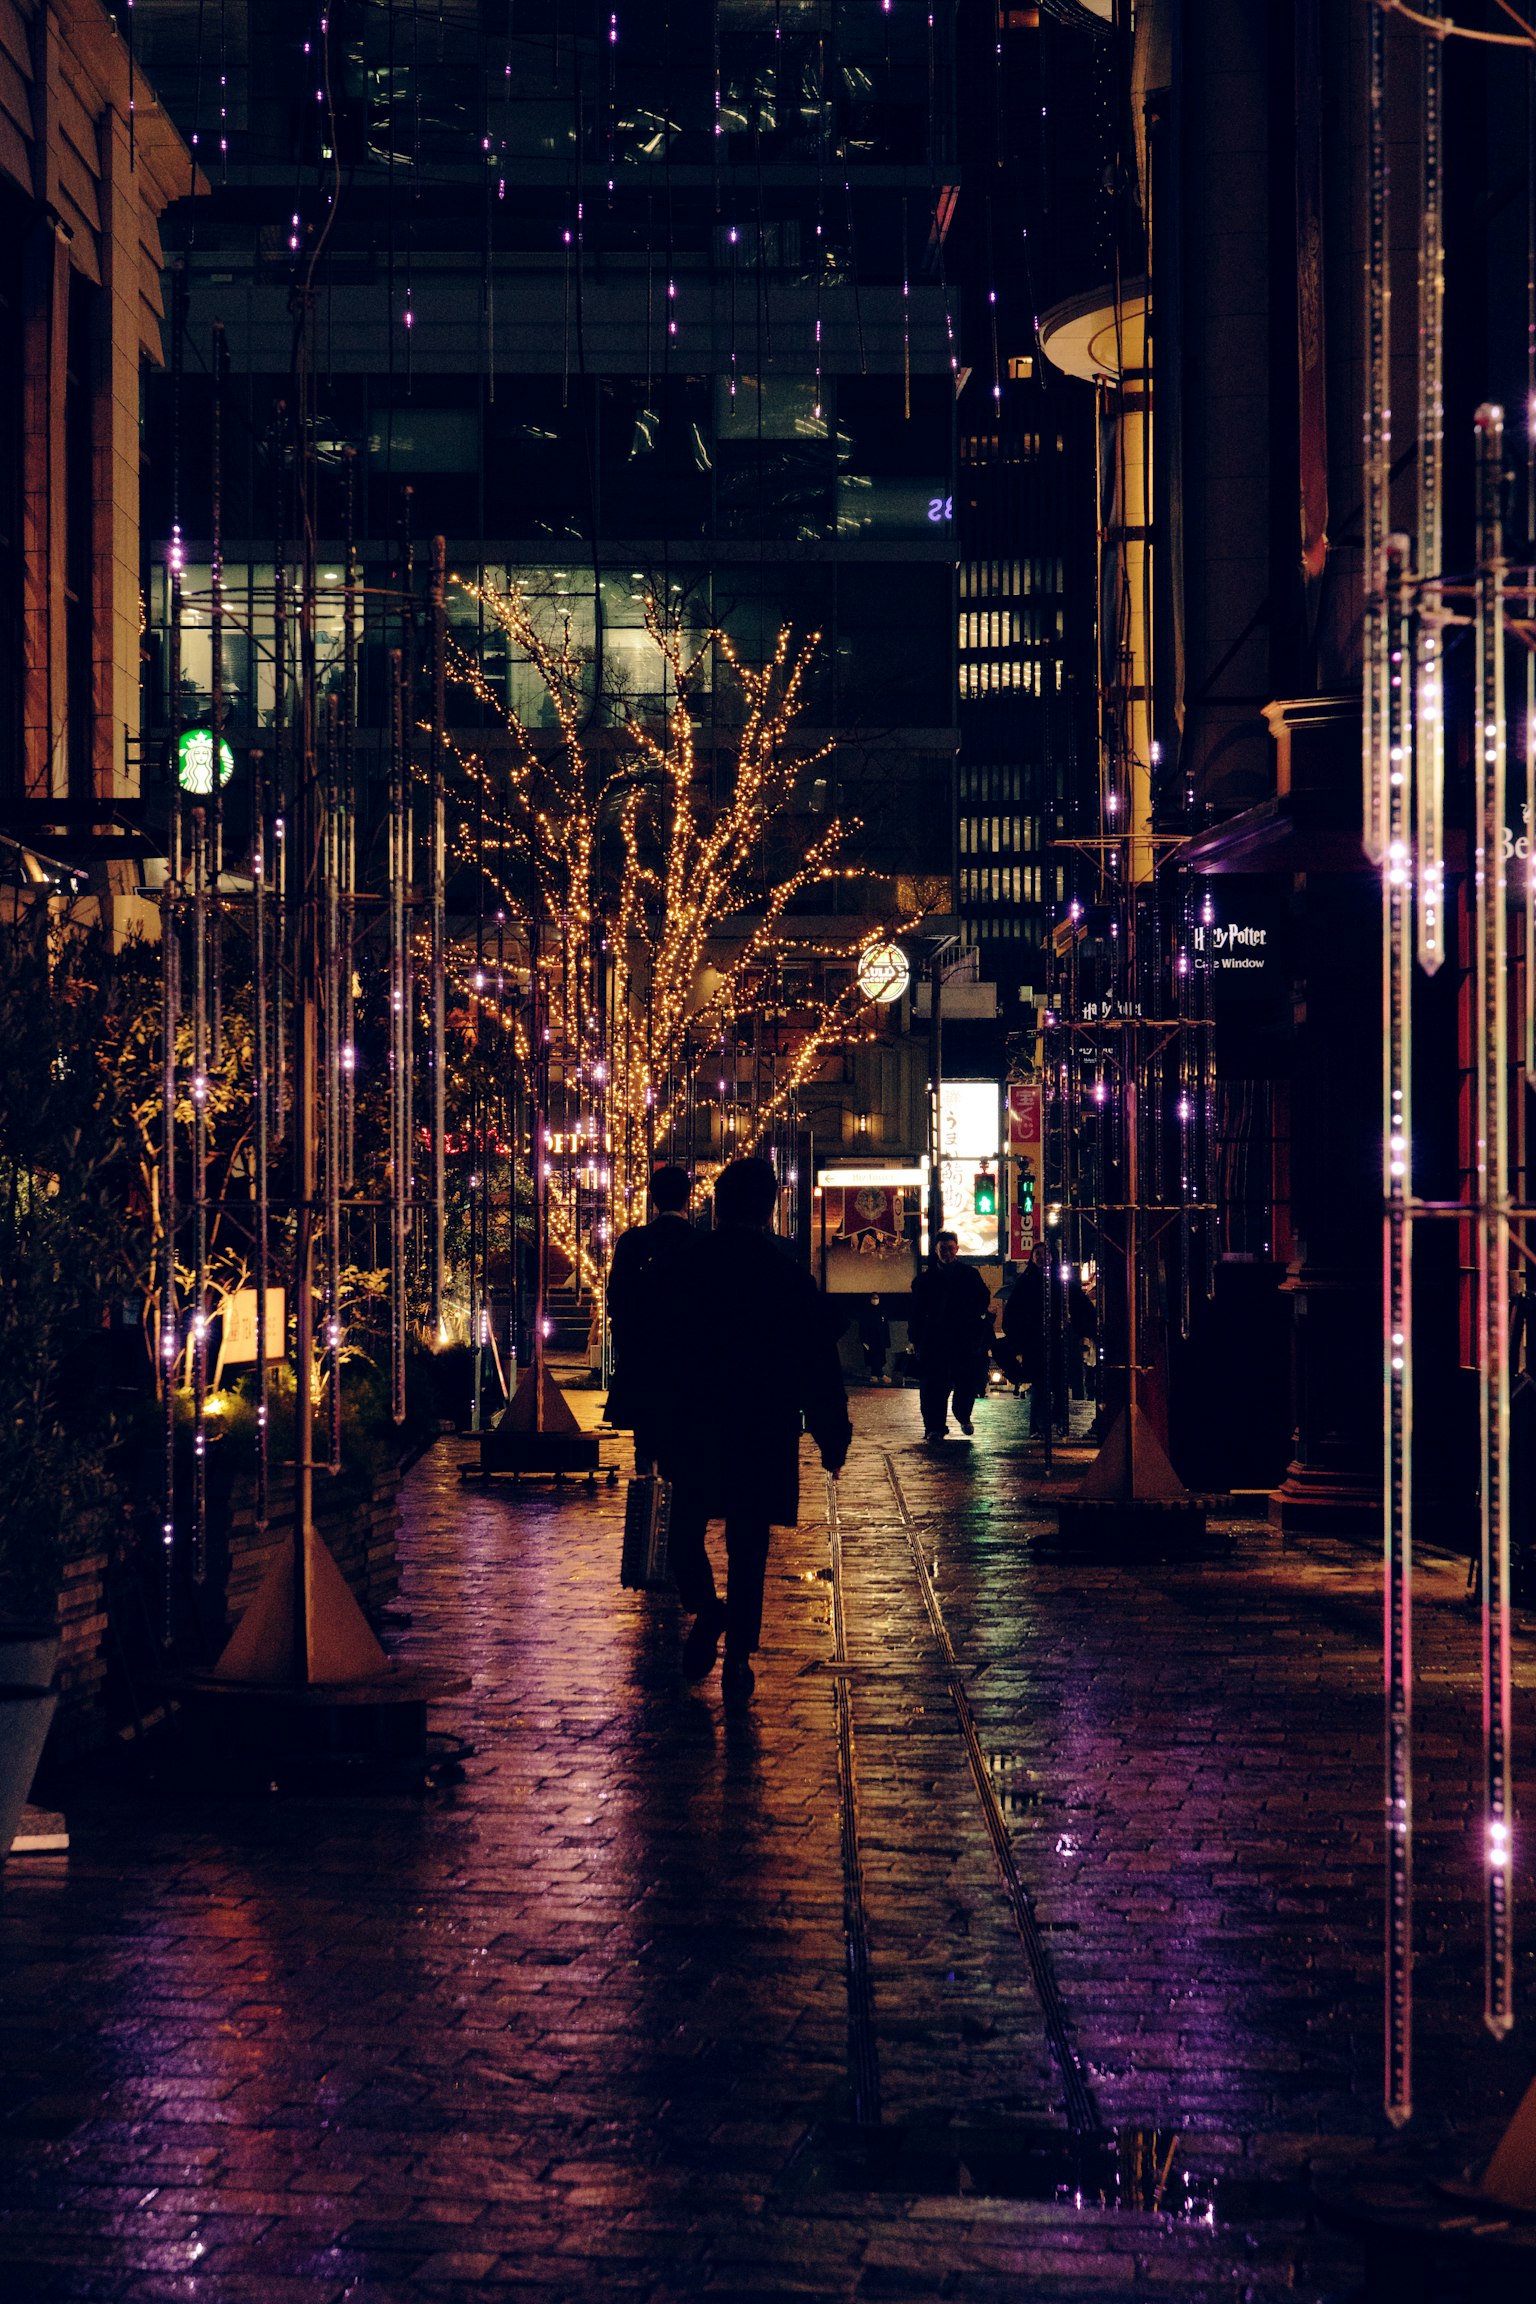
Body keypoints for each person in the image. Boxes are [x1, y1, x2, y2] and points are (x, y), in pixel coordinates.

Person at [658, 1156, 851, 1703]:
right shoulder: (786, 1277)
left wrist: (653, 1416)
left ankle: (707, 1606)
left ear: (718, 1206)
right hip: (762, 1426)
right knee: (749, 1544)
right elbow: (817, 1362)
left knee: (684, 1526)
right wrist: (831, 1433)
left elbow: (656, 1351)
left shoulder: (685, 1268)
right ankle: (739, 1655)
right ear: (768, 1210)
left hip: (696, 1421)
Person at [604, 1165, 697, 1468]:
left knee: (645, 1443)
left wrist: (626, 1344)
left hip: (643, 1356)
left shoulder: (633, 1241)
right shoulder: (701, 1243)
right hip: (688, 1360)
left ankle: (649, 1502)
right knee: (686, 1441)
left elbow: (616, 1298)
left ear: (653, 1198)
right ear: (688, 1197)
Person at [908, 1230, 993, 1441]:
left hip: (962, 1338)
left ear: (957, 1248)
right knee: (933, 1385)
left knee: (965, 1381)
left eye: (950, 1248)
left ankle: (962, 1413)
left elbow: (983, 1299)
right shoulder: (925, 1280)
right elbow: (916, 1311)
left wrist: (971, 1317)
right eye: (942, 1248)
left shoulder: (969, 1275)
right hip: (934, 1340)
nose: (946, 1252)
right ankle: (934, 1427)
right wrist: (916, 1338)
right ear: (936, 1250)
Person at [856, 1293, 890, 1385]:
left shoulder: (882, 1312)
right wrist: (863, 1340)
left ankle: (875, 1374)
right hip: (870, 1339)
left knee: (880, 1356)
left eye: (877, 1298)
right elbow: (862, 1327)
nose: (875, 1300)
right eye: (873, 1298)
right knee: (873, 1356)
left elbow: (886, 1327)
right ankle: (880, 1374)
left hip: (880, 1339)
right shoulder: (866, 1312)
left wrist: (886, 1340)